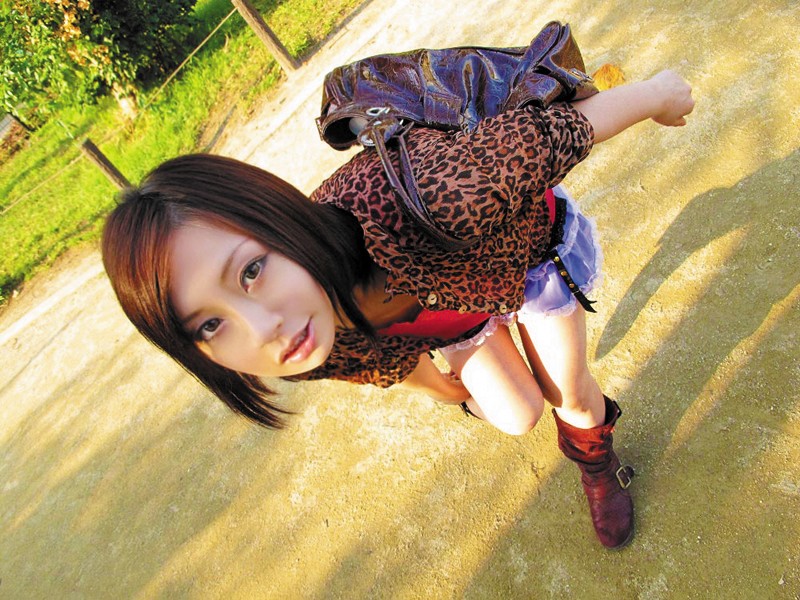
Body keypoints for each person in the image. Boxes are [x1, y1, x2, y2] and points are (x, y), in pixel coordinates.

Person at [102, 69, 694, 549]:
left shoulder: (435, 195)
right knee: (516, 414)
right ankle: (493, 358)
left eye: (251, 270)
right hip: (453, 312)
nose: (263, 331)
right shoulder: (302, 342)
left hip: (520, 255)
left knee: (570, 393)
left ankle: (597, 467)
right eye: (209, 324)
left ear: (279, 219)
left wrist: (657, 95)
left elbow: (562, 131)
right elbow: (381, 362)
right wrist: (445, 389)